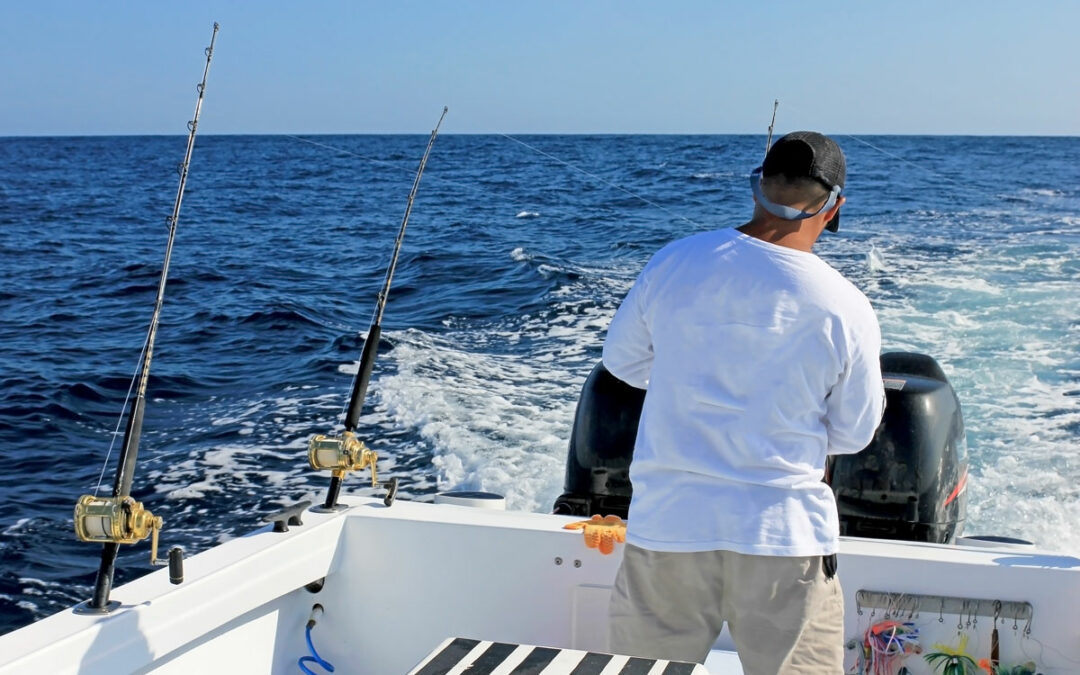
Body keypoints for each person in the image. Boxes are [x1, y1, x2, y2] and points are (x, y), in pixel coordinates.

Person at [602, 131, 885, 674]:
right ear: (834, 209)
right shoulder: (846, 306)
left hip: (669, 526)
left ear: (756, 188)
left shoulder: (672, 263)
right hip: (785, 539)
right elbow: (854, 433)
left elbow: (625, 365)